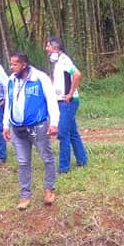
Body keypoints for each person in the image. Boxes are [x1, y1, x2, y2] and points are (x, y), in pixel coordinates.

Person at [2, 52, 60, 209]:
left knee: (46, 157)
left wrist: (54, 123)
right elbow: (9, 103)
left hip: (38, 126)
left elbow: (51, 101)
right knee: (22, 162)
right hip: (16, 127)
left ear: (24, 65)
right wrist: (5, 124)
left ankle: (49, 190)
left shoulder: (40, 78)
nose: (12, 67)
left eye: (15, 64)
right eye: (11, 64)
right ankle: (25, 195)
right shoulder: (11, 80)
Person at [45, 36, 89, 174]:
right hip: (61, 101)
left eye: (48, 46)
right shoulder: (57, 63)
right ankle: (82, 160)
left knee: (63, 133)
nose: (46, 49)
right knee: (72, 132)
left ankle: (64, 167)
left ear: (55, 47)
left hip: (68, 102)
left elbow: (77, 74)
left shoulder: (64, 60)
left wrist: (70, 93)